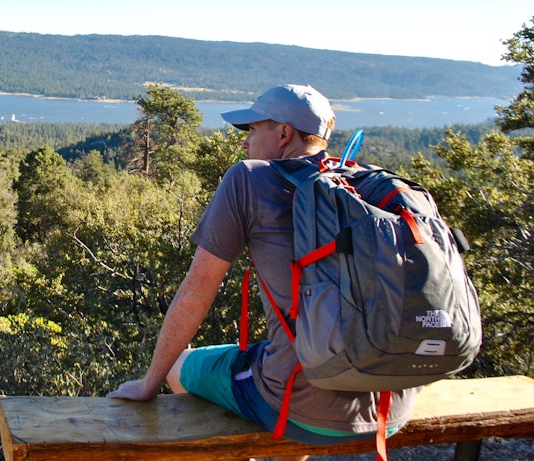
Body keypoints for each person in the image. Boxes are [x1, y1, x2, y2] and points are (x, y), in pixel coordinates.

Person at [107, 84, 420, 461]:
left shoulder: (249, 179)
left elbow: (195, 293)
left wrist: (147, 384)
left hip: (303, 407)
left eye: (253, 130)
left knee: (179, 366)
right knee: (282, 360)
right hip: (394, 403)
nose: (245, 143)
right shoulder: (368, 183)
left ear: (284, 133)